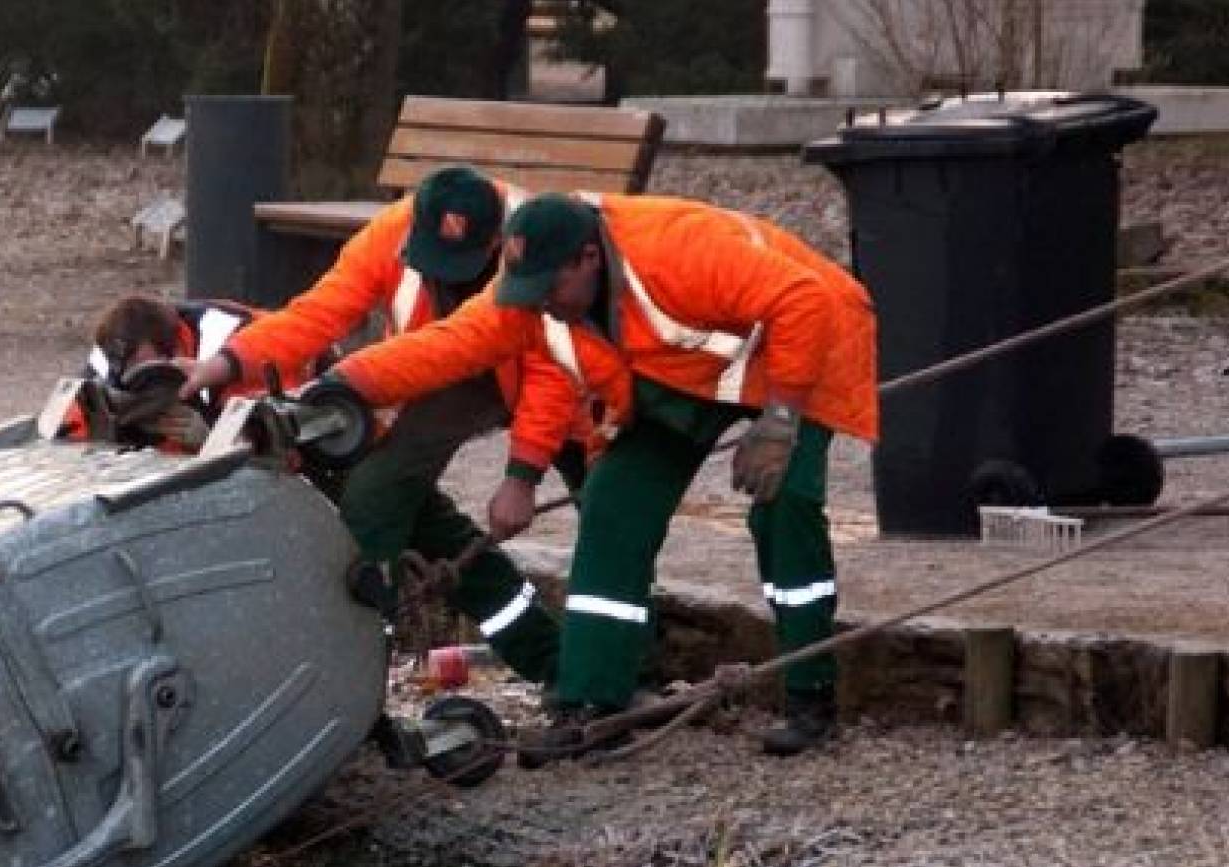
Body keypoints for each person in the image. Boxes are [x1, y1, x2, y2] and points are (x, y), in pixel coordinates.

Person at [300, 191, 879, 758]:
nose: (542, 305)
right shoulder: (539, 294)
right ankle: (594, 701)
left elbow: (802, 299)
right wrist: (340, 388)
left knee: (785, 506)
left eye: (551, 289)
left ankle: (811, 693)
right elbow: (446, 347)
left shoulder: (677, 251)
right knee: (611, 504)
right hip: (690, 375)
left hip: (803, 350)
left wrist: (778, 422)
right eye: (530, 291)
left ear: (588, 259)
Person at [180, 166, 586, 686]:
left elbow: (555, 371)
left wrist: (523, 475)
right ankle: (536, 662)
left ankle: (604, 672)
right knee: (383, 495)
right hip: (442, 370)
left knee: (606, 521)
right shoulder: (388, 236)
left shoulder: (539, 251)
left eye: (463, 266)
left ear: (496, 243)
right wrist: (228, 363)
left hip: (569, 389)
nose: (447, 277)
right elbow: (317, 314)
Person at [61, 295, 269, 451]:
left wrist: (212, 440)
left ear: (176, 349)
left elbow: (273, 448)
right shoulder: (108, 355)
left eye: (150, 371)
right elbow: (68, 434)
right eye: (134, 374)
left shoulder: (234, 345)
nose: (143, 383)